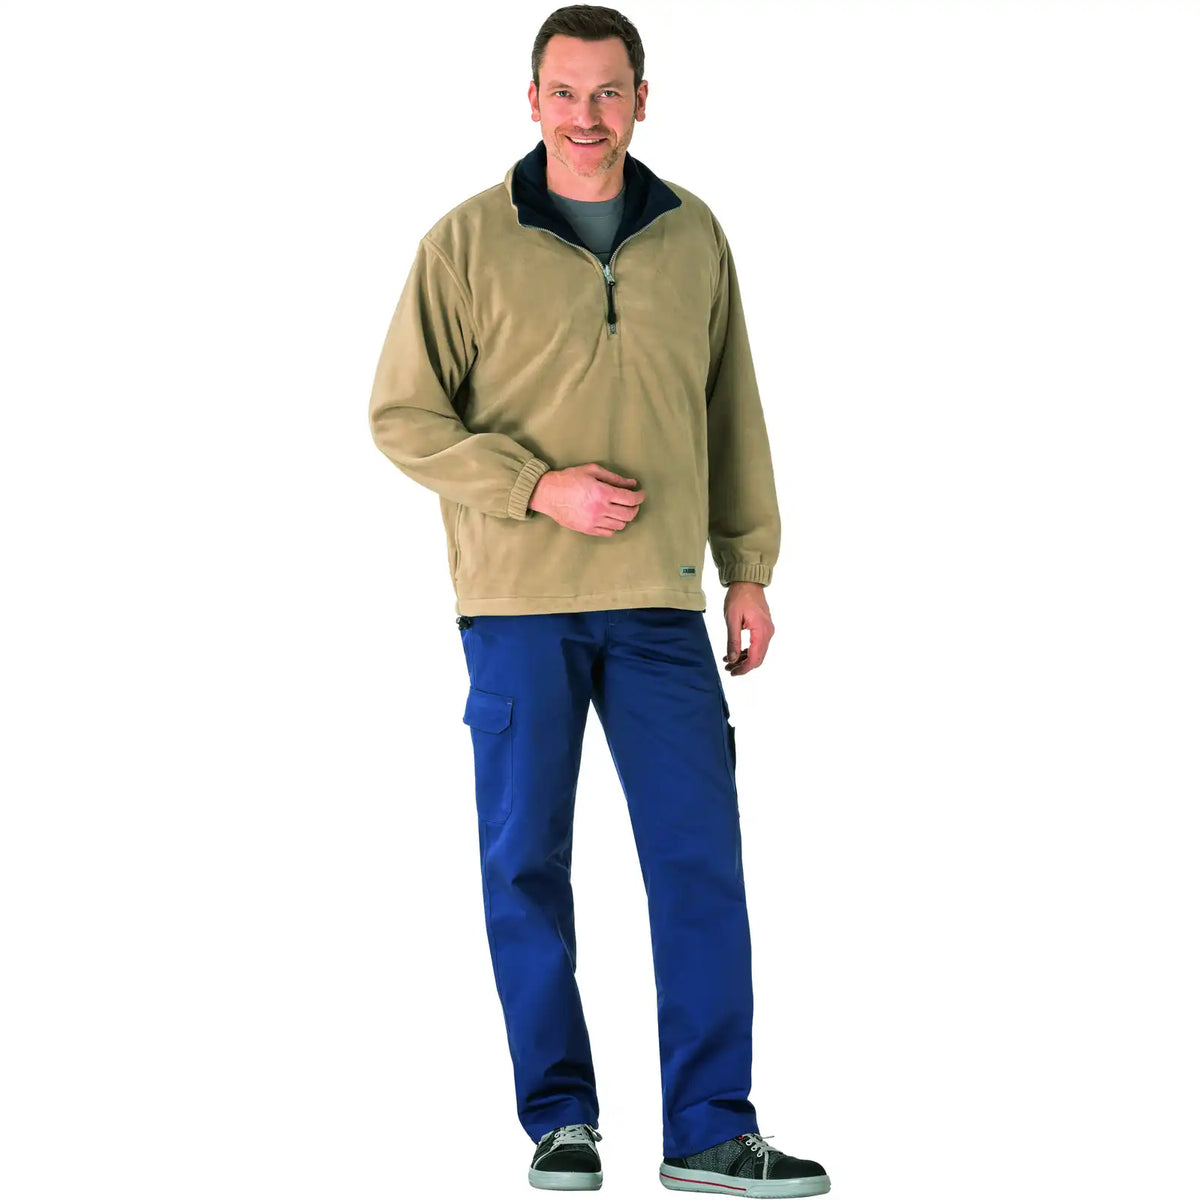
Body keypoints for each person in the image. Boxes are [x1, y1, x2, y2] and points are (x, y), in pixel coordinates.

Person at [367, 5, 831, 1195]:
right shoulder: (465, 243)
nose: (588, 115)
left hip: (663, 606)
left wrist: (749, 567)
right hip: (518, 604)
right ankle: (560, 1122)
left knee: (699, 863)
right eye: (565, 93)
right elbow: (402, 418)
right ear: (532, 101)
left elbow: (733, 410)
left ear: (642, 99)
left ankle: (711, 1129)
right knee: (526, 864)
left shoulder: (693, 235)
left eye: (609, 91)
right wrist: (537, 488)